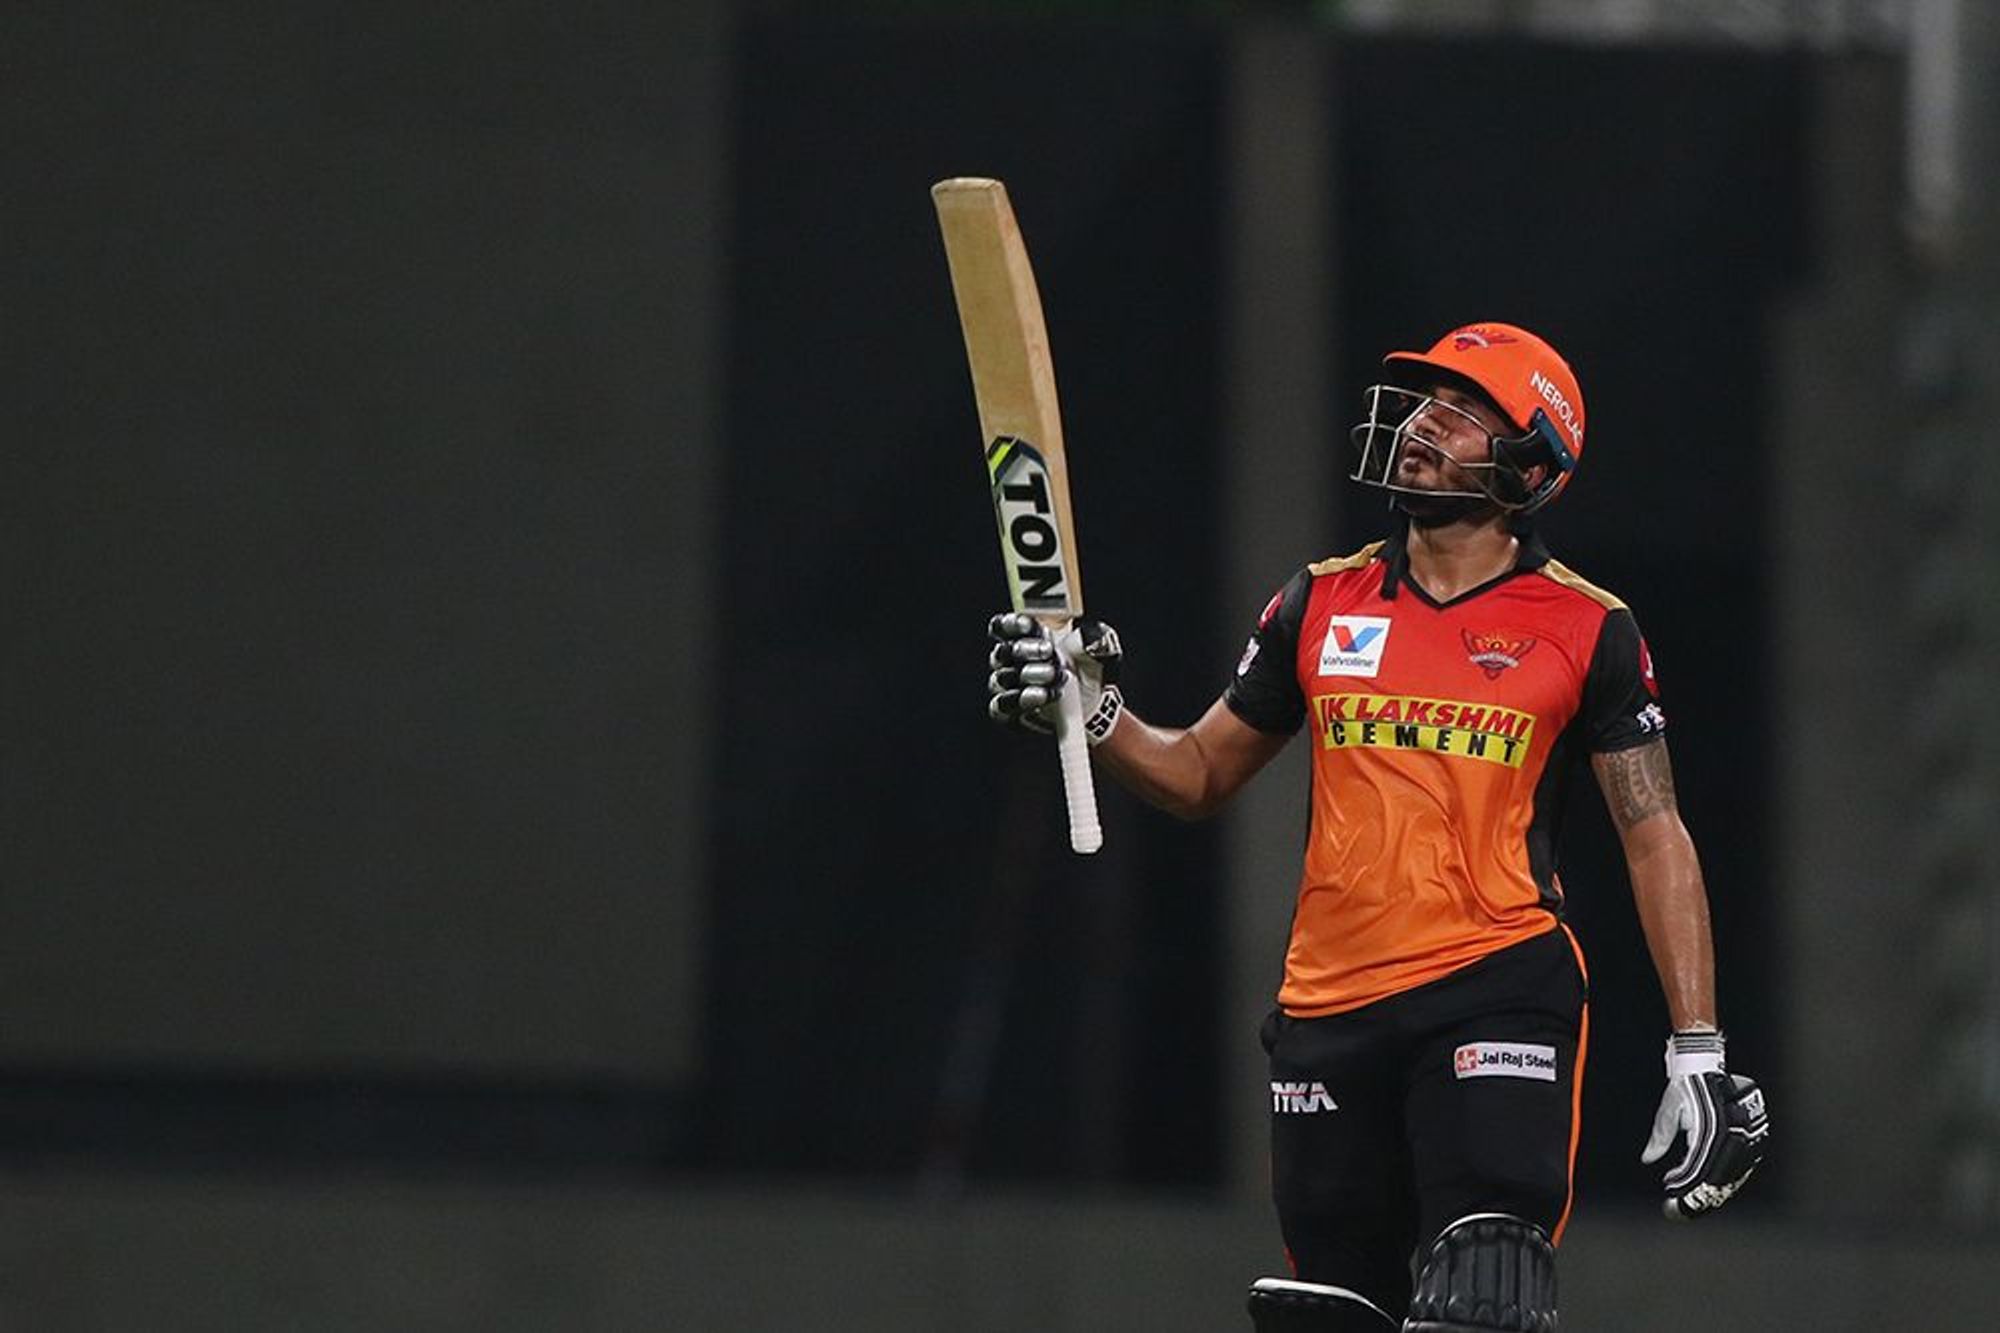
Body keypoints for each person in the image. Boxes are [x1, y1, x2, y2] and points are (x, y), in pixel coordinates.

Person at [985, 323, 1769, 1331]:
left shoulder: (1587, 626)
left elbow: (1654, 832)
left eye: (1462, 412)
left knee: (1485, 1286)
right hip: (1327, 1006)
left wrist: (1696, 1047)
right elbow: (1197, 772)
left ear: (1531, 465)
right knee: (1334, 1308)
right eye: (1422, 405)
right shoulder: (1317, 601)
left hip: (1496, 984)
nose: (1422, 426)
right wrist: (1091, 711)